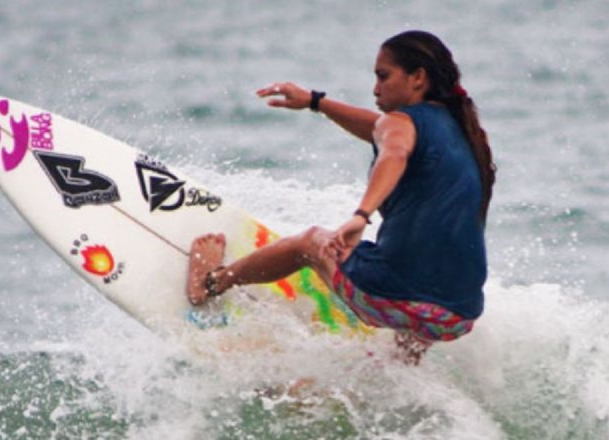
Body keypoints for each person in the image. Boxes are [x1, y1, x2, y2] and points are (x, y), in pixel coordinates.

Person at [186, 30, 496, 364]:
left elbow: (394, 153)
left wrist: (361, 215)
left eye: (383, 76)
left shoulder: (400, 126)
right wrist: (316, 102)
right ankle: (395, 372)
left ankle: (211, 282)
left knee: (308, 243)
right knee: (413, 313)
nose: (376, 88)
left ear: (418, 77)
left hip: (393, 293)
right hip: (456, 315)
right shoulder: (464, 133)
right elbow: (379, 129)